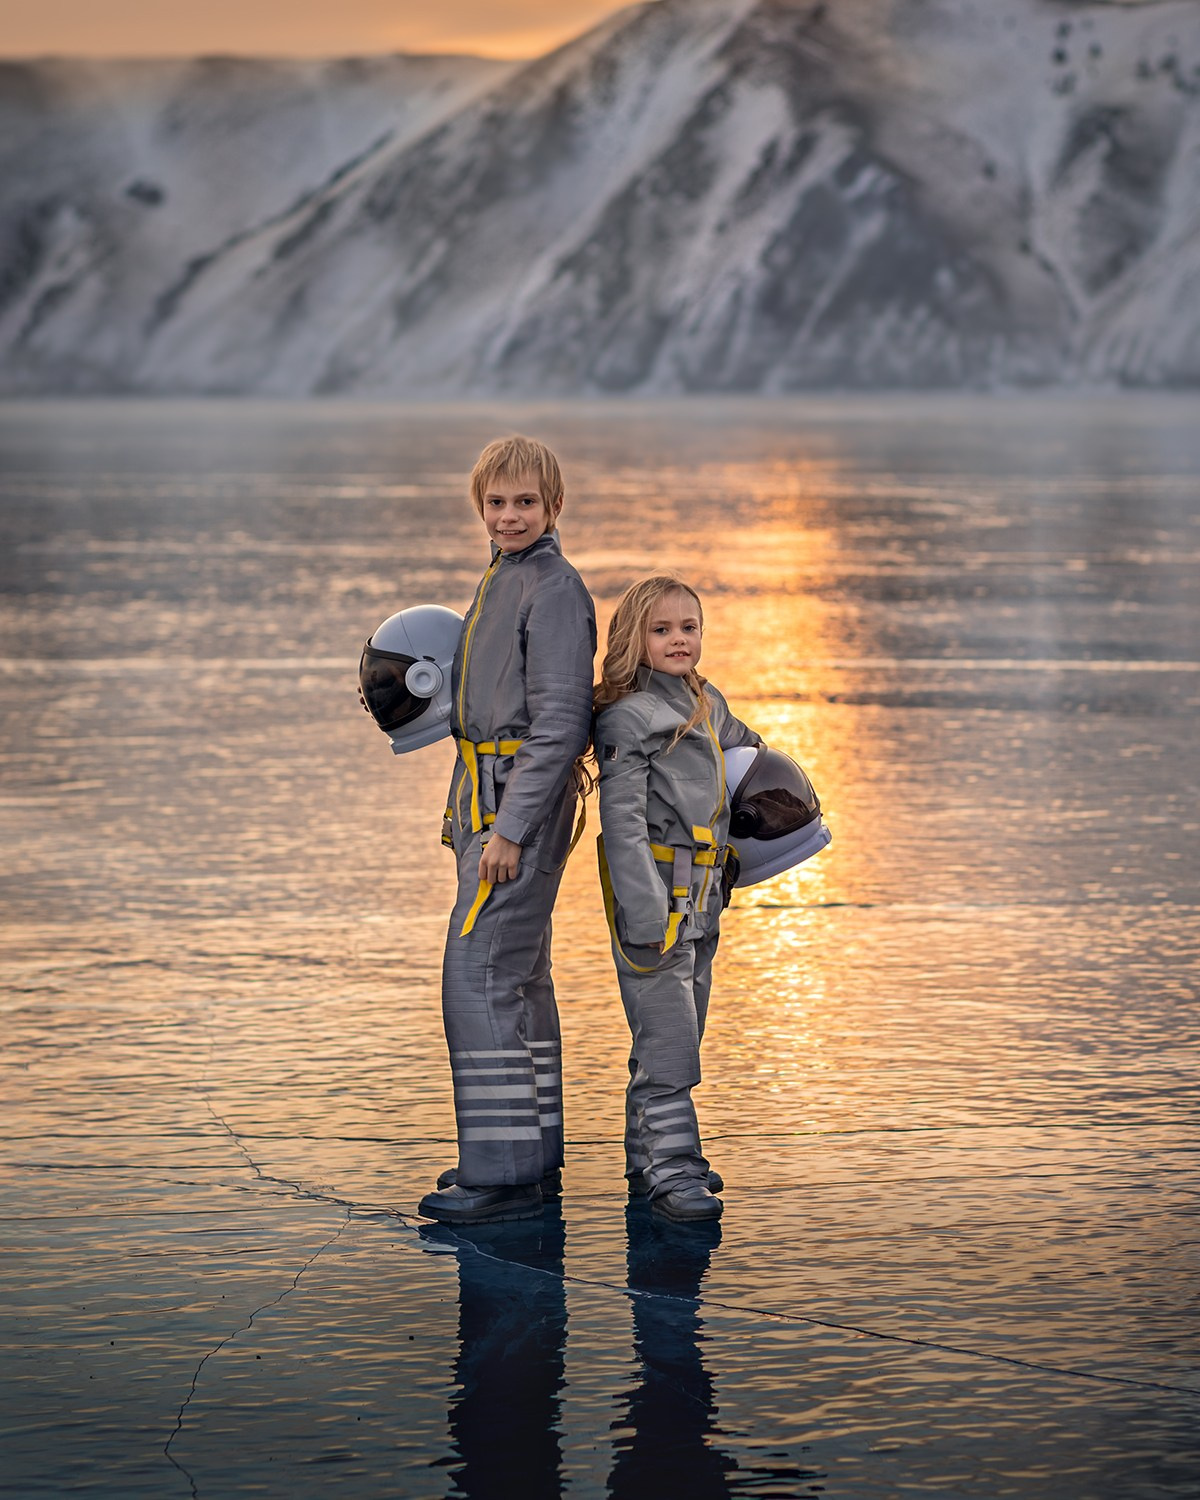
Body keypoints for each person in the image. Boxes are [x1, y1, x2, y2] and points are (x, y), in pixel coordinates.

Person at [418, 436, 596, 1225]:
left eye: (526, 502)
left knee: (478, 977)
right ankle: (530, 1153)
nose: (510, 515)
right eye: (497, 503)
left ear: (553, 507)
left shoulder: (554, 589)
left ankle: (501, 1176)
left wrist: (512, 830)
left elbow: (561, 721)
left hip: (518, 809)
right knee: (518, 979)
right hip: (486, 804)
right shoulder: (504, 576)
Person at [593, 576, 761, 1223]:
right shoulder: (627, 716)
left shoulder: (704, 699)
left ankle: (647, 1154)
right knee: (669, 1044)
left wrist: (784, 802)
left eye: (688, 627)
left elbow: (747, 748)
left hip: (705, 902)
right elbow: (623, 823)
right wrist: (644, 915)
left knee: (679, 1030)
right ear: (634, 639)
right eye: (661, 630)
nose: (678, 640)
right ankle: (674, 1169)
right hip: (655, 905)